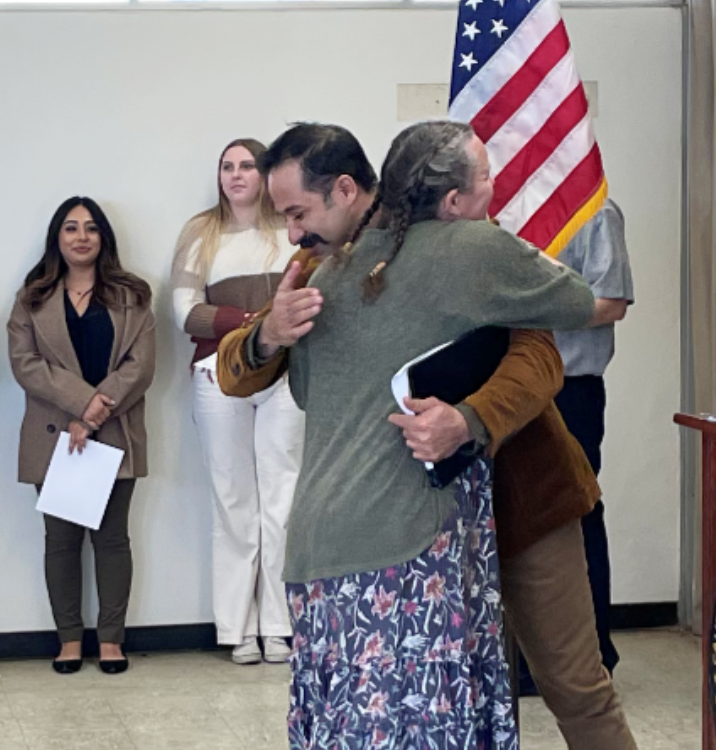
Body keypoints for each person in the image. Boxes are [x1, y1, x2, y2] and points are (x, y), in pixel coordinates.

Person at [217, 123, 639, 750]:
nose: (293, 231)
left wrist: (468, 420)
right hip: (428, 531)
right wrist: (267, 334)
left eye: (298, 213)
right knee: (483, 691)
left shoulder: (468, 250)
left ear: (345, 190)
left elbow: (540, 358)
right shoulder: (317, 270)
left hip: (523, 500)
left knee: (576, 687)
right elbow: (237, 370)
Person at [7, 197, 155, 675]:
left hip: (114, 429)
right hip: (54, 435)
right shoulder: (31, 298)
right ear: (57, 237)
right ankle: (69, 639)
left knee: (113, 540)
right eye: (70, 228)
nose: (81, 236)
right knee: (61, 541)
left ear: (103, 237)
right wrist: (79, 405)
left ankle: (111, 640)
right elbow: (25, 365)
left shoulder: (133, 295)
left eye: (91, 228)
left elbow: (141, 365)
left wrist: (92, 414)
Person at [171, 138, 303, 665]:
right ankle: (236, 628)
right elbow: (185, 311)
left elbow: (314, 297)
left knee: (282, 499)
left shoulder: (292, 229)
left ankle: (279, 627)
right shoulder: (200, 232)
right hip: (219, 374)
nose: (236, 174)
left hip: (288, 376)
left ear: (266, 172)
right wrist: (253, 326)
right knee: (233, 503)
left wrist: (273, 331)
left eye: (247, 164)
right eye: (227, 166)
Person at [549, 199, 634, 676]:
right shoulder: (500, 212)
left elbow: (611, 303)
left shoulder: (593, 211)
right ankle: (528, 658)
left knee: (576, 515)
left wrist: (534, 304)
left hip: (569, 388)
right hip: (503, 389)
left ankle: (593, 655)